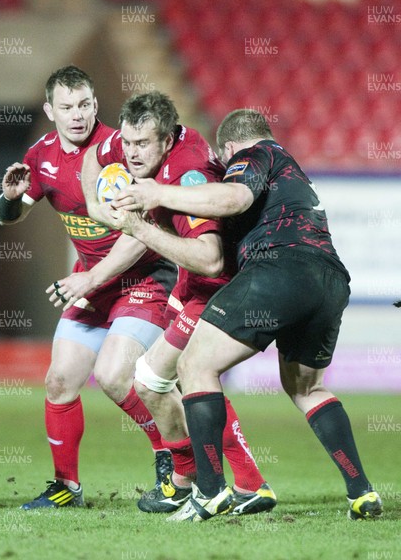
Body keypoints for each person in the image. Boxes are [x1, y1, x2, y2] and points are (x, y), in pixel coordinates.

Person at [113, 108, 383, 522]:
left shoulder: (255, 153)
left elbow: (235, 196)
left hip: (279, 269)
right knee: (307, 388)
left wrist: (157, 193)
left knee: (194, 365)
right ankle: (361, 492)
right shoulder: (294, 175)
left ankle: (210, 492)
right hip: (330, 282)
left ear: (230, 148)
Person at [82, 92, 276, 516]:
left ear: (167, 141)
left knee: (150, 379)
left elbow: (210, 259)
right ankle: (246, 483)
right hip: (187, 283)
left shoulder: (187, 174)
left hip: (214, 284)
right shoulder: (137, 139)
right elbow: (94, 157)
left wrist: (135, 224)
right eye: (127, 144)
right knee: (190, 380)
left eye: (142, 146)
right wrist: (97, 208)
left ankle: (191, 480)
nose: (131, 154)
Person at [0, 66, 176, 509]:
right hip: (92, 283)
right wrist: (10, 199)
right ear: (49, 110)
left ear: (96, 104)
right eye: (66, 107)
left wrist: (92, 278)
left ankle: (173, 455)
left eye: (84, 105)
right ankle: (66, 487)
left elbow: (140, 231)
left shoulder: (120, 150)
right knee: (59, 381)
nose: (77, 116)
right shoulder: (40, 155)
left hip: (141, 278)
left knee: (114, 377)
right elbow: (9, 217)